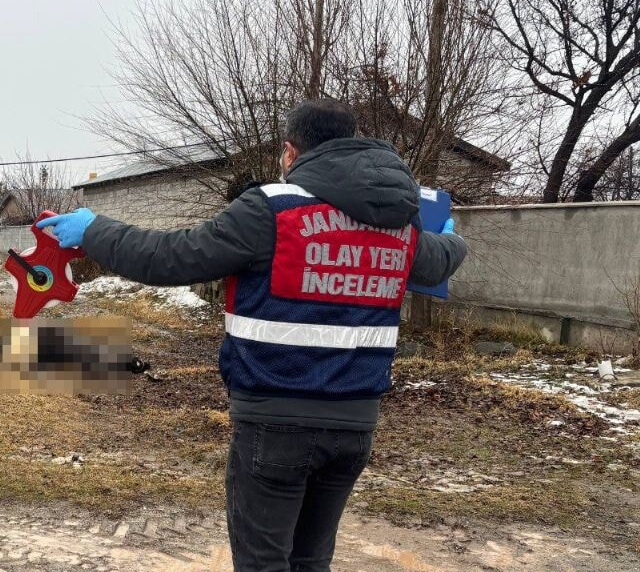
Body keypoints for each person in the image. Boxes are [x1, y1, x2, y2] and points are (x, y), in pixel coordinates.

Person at [37, 99, 466, 572]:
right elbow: (440, 260)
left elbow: (170, 257)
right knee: (311, 561)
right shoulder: (400, 225)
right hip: (355, 427)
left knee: (263, 563)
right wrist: (453, 237)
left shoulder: (272, 209)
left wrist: (93, 229)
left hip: (274, 424)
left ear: (289, 152)